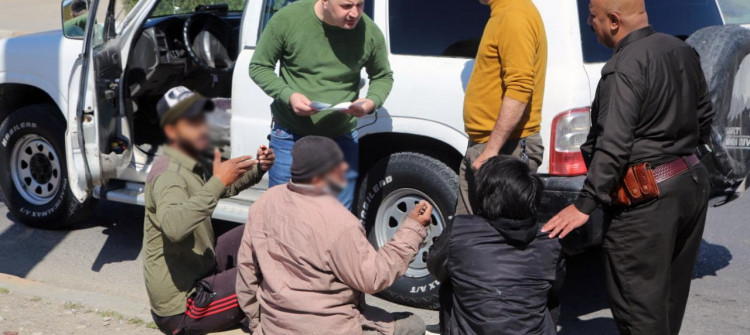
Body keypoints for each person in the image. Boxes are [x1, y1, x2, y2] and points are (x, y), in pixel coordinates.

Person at [541, 1, 715, 334]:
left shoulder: (623, 67)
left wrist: (585, 203)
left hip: (647, 199)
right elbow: (705, 117)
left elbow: (614, 143)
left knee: (640, 314)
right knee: (667, 304)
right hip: (690, 184)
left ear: (614, 21)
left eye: (593, 16)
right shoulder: (681, 49)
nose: (590, 23)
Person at [236, 136, 429, 335]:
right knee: (415, 325)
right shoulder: (340, 223)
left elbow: (246, 273)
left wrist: (256, 326)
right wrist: (412, 229)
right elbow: (374, 278)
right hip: (332, 327)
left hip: (275, 326)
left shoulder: (265, 201)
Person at [142, 91, 275, 335]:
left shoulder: (189, 159)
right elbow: (173, 227)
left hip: (200, 270)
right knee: (264, 272)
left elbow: (215, 189)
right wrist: (217, 181)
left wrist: (257, 169)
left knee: (259, 232)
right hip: (182, 308)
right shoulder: (169, 175)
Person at [249, 0, 394, 210]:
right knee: (282, 211)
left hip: (342, 139)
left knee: (338, 217)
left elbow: (383, 76)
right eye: (346, 6)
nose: (355, 13)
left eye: (360, 5)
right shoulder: (288, 19)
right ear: (325, 2)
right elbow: (259, 67)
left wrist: (370, 102)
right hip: (290, 136)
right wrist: (288, 95)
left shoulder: (369, 32)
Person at [427, 156, 561, 335]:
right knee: (548, 293)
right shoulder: (550, 239)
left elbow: (435, 267)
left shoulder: (460, 230)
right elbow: (557, 282)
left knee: (449, 282)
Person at [457, 0, 548, 216]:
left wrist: (491, 150)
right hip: (490, 147)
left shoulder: (515, 14)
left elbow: (519, 87)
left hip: (506, 150)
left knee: (497, 241)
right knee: (468, 234)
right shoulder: (503, 12)